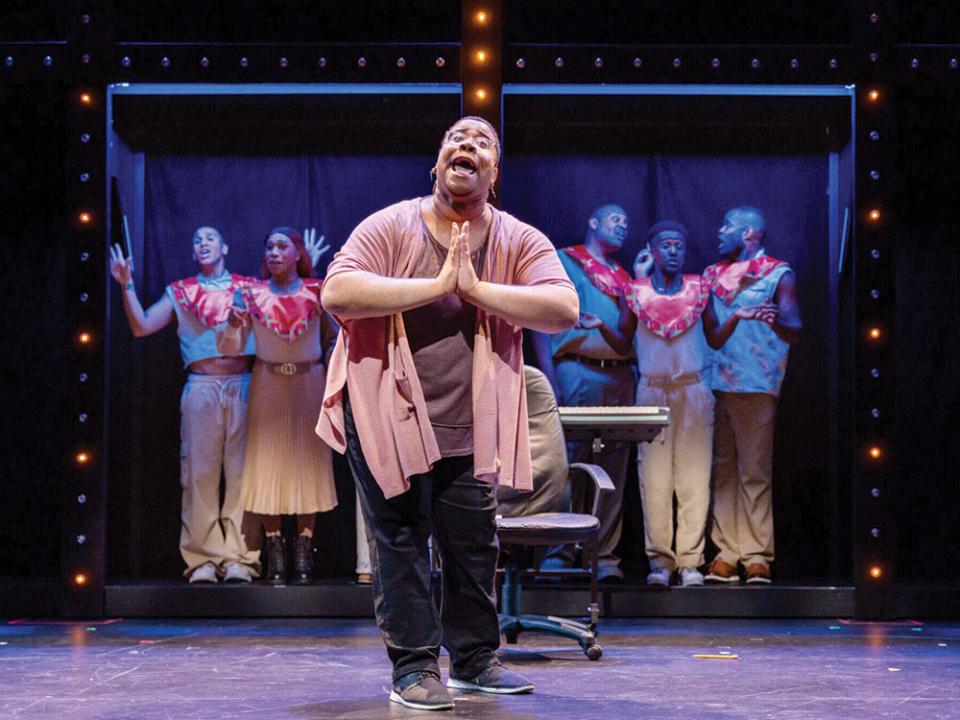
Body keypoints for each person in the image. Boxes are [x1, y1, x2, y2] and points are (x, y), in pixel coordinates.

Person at [316, 116, 578, 711]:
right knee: (400, 540)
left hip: (469, 418)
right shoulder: (391, 225)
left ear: (494, 173)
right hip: (385, 412)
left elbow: (563, 307)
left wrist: (476, 289)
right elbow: (338, 292)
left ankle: (475, 660)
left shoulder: (516, 238)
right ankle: (412, 668)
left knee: (473, 542)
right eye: (456, 140)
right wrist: (437, 284)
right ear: (438, 165)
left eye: (483, 143)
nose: (468, 146)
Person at [109, 226, 259, 584]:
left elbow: (287, 308)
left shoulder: (248, 289)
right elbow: (142, 326)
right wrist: (126, 284)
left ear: (224, 246)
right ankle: (203, 559)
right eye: (196, 240)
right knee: (199, 474)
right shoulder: (181, 291)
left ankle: (240, 558)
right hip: (202, 386)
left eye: (210, 238)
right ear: (193, 253)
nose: (202, 243)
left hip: (244, 384)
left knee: (243, 475)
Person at [581, 221, 714, 587]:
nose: (673, 251)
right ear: (652, 251)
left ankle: (690, 561)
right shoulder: (634, 291)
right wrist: (599, 326)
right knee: (653, 478)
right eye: (666, 245)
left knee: (694, 477)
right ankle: (661, 562)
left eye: (679, 245)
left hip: (693, 389)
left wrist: (738, 317)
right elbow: (624, 343)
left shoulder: (700, 288)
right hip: (652, 390)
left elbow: (715, 337)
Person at [218, 227, 338, 585]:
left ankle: (303, 547)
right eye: (269, 246)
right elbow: (231, 347)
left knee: (309, 462)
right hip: (268, 383)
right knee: (267, 462)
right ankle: (275, 549)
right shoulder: (251, 294)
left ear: (296, 252)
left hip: (308, 382)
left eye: (282, 246)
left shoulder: (318, 291)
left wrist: (333, 374)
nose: (274, 252)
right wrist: (233, 324)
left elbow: (334, 338)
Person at [531, 204, 636, 582]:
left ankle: (602, 554)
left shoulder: (624, 277)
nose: (623, 226)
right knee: (568, 462)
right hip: (575, 368)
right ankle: (560, 549)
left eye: (627, 222)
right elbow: (541, 320)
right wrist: (550, 377)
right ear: (593, 221)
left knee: (613, 467)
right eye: (615, 219)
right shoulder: (565, 261)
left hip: (619, 374)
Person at [701, 206, 802, 585]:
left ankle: (757, 554)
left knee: (754, 471)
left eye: (726, 225)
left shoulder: (777, 273)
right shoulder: (713, 275)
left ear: (748, 234)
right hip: (718, 381)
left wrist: (774, 315)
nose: (719, 231)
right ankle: (726, 552)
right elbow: (711, 333)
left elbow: (795, 326)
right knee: (723, 470)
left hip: (757, 381)